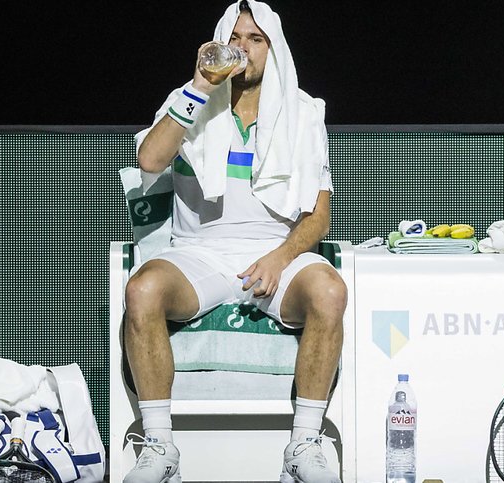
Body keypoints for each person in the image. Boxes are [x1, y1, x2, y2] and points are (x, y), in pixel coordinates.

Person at [124, 1, 347, 481]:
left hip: (274, 251)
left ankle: (304, 444)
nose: (244, 49)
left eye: (256, 39)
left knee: (330, 291)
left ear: (273, 48)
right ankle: (160, 448)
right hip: (199, 253)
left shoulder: (303, 113)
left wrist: (281, 256)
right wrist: (202, 87)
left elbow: (318, 217)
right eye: (236, 38)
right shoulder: (190, 102)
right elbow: (149, 161)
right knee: (142, 290)